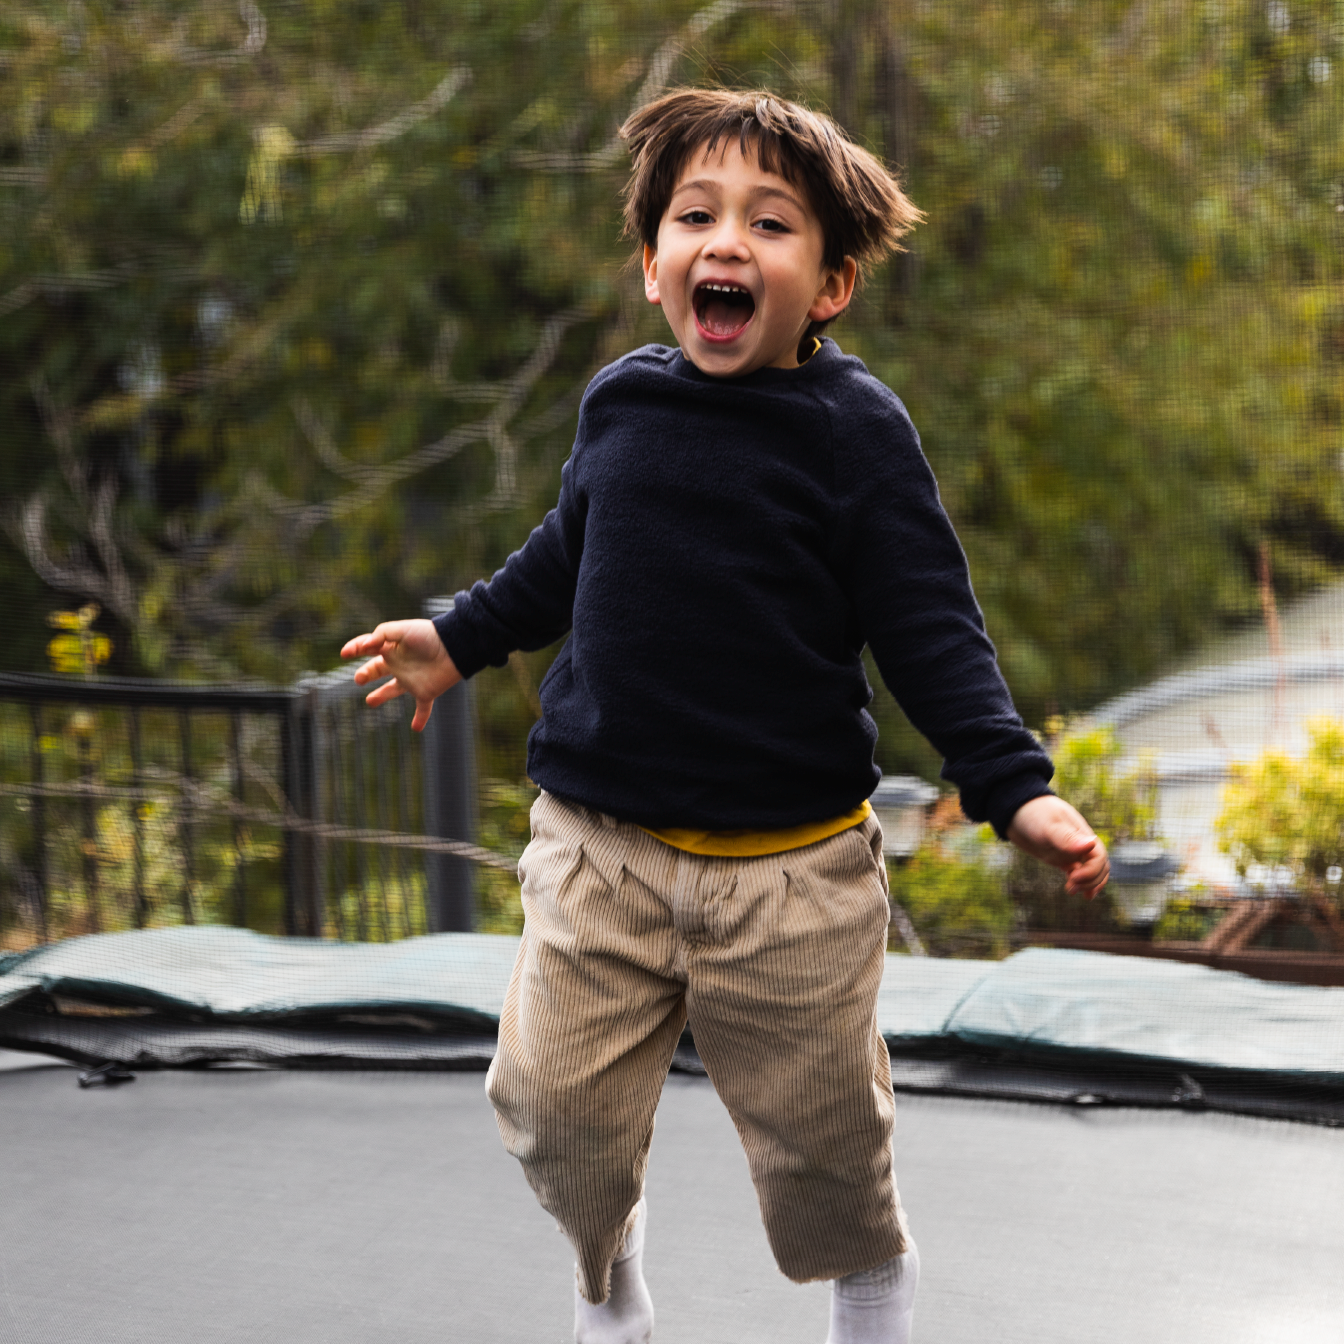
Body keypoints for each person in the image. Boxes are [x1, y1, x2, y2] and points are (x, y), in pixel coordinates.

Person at [342, 87, 1109, 1344]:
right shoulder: (619, 405)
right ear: (654, 269)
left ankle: (873, 1296)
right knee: (553, 1114)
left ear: (832, 285)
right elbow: (563, 555)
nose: (727, 243)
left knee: (823, 1159)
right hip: (603, 851)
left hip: (789, 877)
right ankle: (613, 1290)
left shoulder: (855, 435)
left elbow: (930, 627)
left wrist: (1011, 785)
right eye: (695, 217)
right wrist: (461, 638)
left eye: (771, 223)